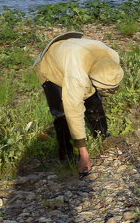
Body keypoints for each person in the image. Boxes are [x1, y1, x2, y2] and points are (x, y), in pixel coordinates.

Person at [34, 33, 124, 176]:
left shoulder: (113, 57)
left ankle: (101, 135)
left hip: (75, 53)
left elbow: (96, 88)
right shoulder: (77, 75)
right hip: (51, 65)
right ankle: (66, 156)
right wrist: (84, 155)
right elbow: (73, 111)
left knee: (93, 101)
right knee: (62, 113)